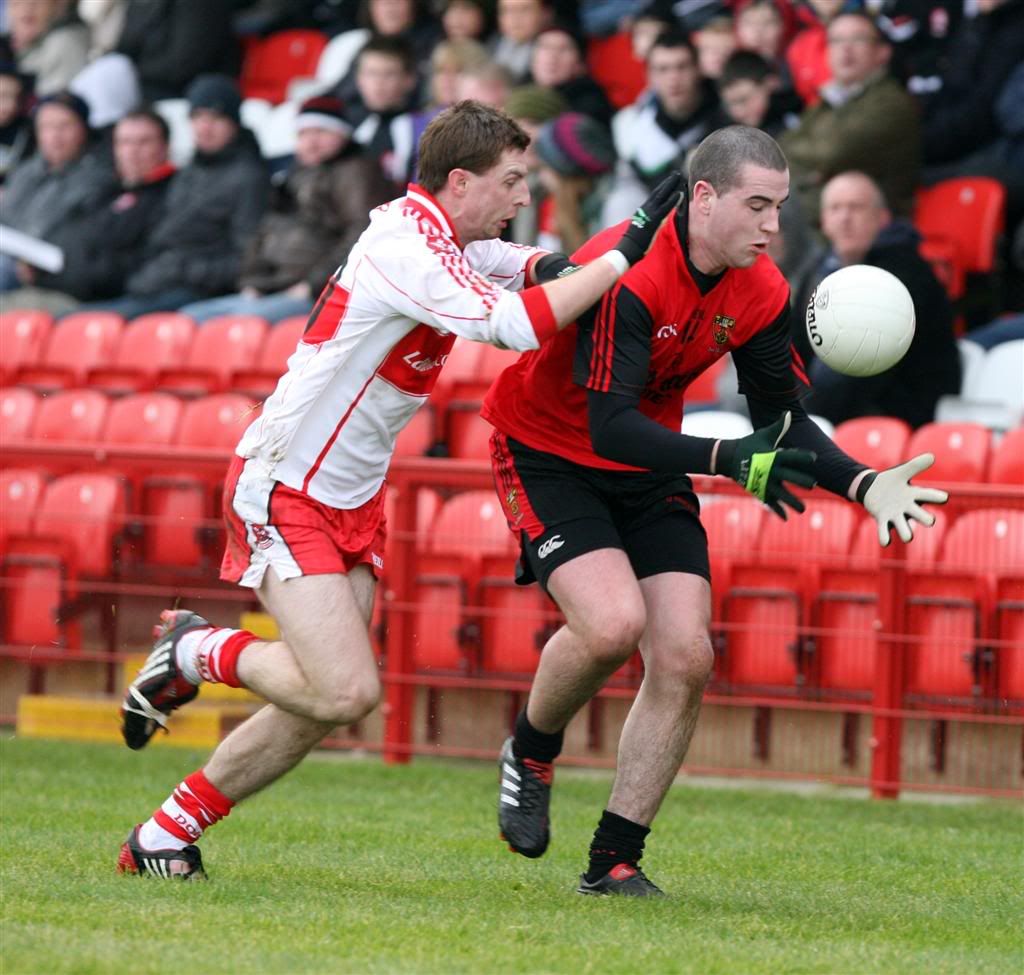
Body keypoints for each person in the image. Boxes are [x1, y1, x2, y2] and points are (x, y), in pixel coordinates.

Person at [114, 100, 684, 880]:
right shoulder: (404, 245)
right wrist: (623, 260)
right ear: (460, 180)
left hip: (350, 497)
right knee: (346, 691)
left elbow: (519, 265)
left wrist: (592, 258)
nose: (522, 196)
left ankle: (164, 836)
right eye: (512, 181)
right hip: (285, 482)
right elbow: (515, 325)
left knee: (319, 701)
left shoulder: (445, 235)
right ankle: (194, 649)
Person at [483, 125, 948, 896]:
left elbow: (782, 417)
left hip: (651, 462)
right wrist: (728, 458)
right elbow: (610, 424)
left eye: (780, 207)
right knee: (608, 626)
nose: (774, 226)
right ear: (703, 198)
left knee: (688, 655)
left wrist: (863, 483)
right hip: (548, 452)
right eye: (758, 206)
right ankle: (531, 750)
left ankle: (614, 860)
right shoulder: (627, 273)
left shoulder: (761, 287)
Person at [178, 96, 391, 325]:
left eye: (320, 132)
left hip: (318, 294)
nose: (311, 141)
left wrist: (312, 286)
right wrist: (252, 283)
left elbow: (361, 235)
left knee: (238, 325)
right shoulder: (293, 175)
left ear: (343, 134)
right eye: (303, 134)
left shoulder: (356, 173)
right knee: (188, 319)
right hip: (270, 290)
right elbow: (264, 232)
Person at [81, 74, 268, 319]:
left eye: (215, 118)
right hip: (155, 283)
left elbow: (248, 257)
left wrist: (187, 270)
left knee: (95, 324)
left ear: (233, 122)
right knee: (72, 322)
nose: (204, 127)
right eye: (197, 117)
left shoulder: (249, 177)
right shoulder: (190, 171)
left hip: (196, 292)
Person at [793, 171, 960, 428]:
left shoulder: (905, 271)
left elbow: (864, 363)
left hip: (899, 412)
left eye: (856, 207)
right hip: (835, 409)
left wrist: (803, 414)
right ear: (824, 221)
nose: (845, 218)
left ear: (882, 218)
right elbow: (793, 348)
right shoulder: (816, 270)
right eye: (835, 208)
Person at [4, 108, 175, 312]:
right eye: (125, 142)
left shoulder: (172, 194)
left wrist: (49, 278)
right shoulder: (108, 191)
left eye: (144, 142)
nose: (132, 151)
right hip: (56, 287)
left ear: (165, 147)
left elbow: (123, 270)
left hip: (95, 300)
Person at [780, 10, 920, 224]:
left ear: (882, 52)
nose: (846, 48)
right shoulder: (830, 98)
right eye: (836, 40)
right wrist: (814, 167)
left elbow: (831, 152)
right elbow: (783, 149)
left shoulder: (891, 103)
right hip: (821, 217)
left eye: (858, 39)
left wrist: (816, 165)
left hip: (871, 227)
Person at [601, 28, 724, 225]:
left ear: (698, 69)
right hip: (655, 222)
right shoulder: (634, 125)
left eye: (682, 67)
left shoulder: (727, 116)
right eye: (663, 69)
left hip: (712, 220)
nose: (673, 78)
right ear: (649, 76)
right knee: (621, 202)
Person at [0, 90, 115, 292]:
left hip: (46, 268)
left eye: (64, 126)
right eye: (46, 127)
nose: (55, 135)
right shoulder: (26, 171)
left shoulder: (99, 177)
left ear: (84, 129)